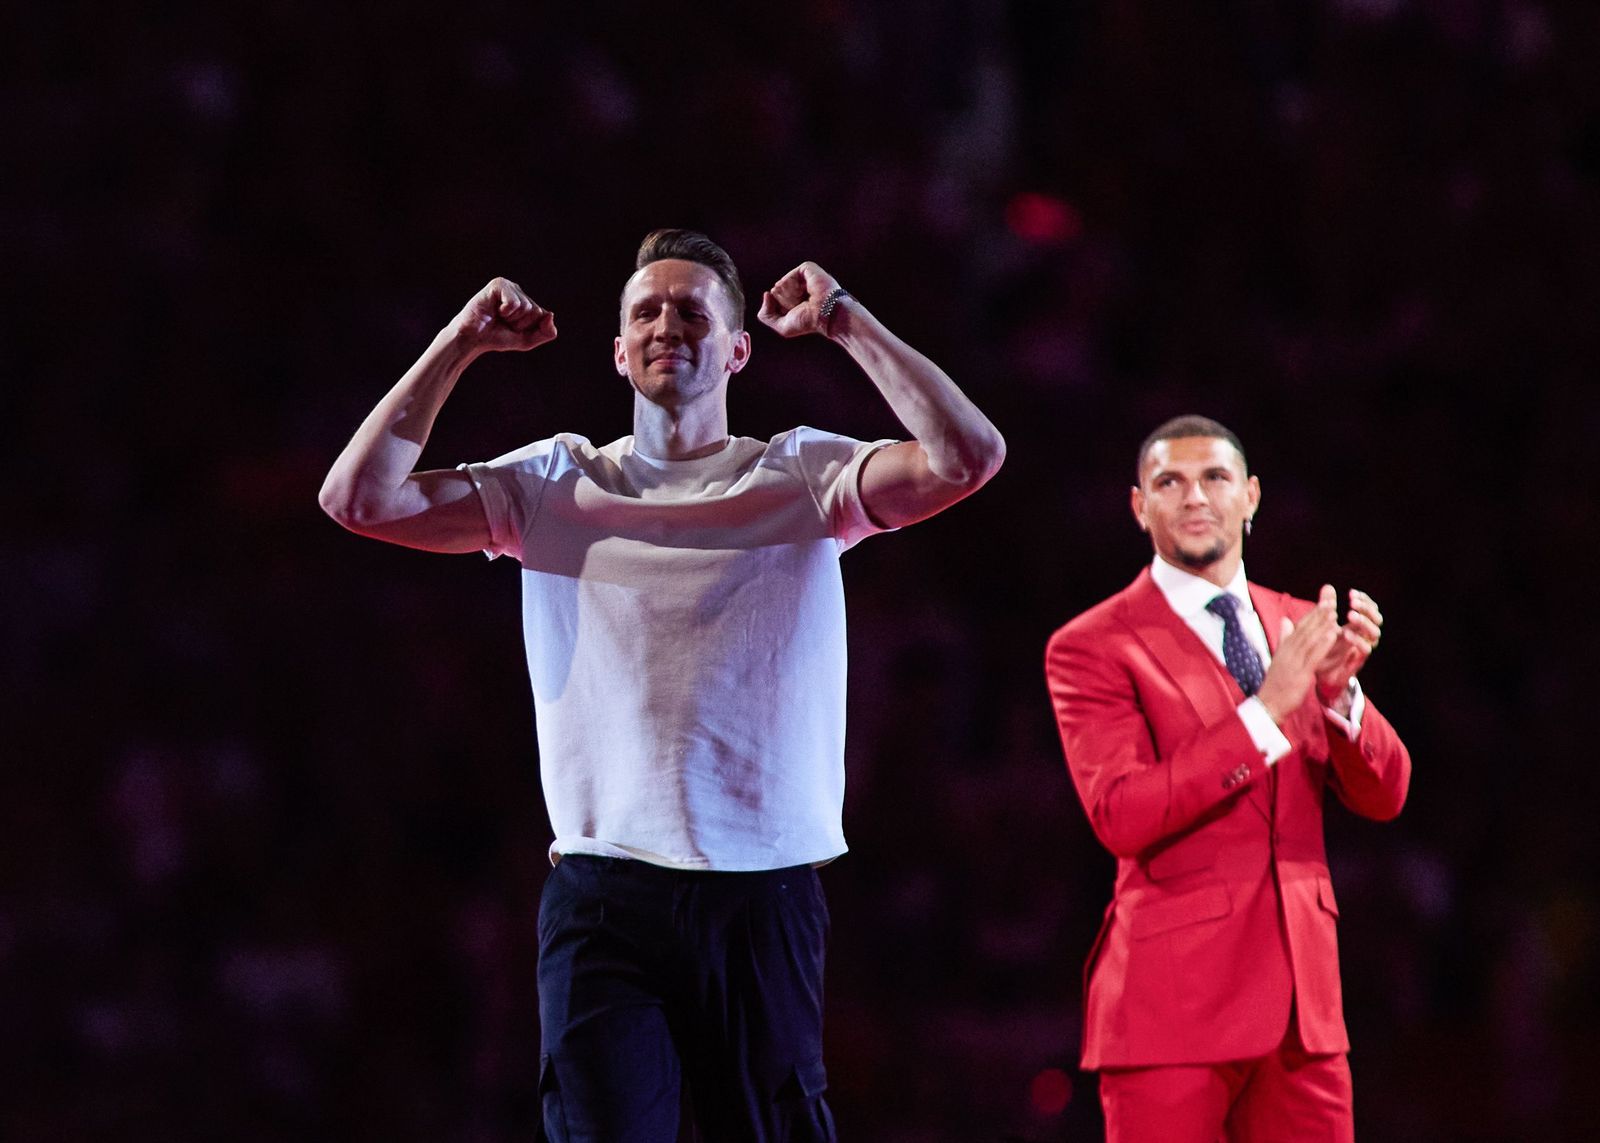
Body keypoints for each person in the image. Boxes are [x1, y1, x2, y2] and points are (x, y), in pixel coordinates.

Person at [318, 229, 1005, 1141]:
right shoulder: (554, 484)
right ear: (616, 351)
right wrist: (461, 343)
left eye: (692, 311)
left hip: (761, 887)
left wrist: (845, 321)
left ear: (737, 349)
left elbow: (970, 455)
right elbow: (357, 499)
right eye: (645, 310)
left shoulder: (802, 472)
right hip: (607, 890)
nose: (666, 325)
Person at [1043, 414, 1410, 1142]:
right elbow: (1120, 812)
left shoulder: (1302, 624)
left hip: (1307, 1015)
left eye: (1213, 477)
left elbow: (1387, 793)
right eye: (1168, 482)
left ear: (1250, 495)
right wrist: (1266, 712)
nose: (1193, 497)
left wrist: (1340, 697)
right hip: (1171, 1010)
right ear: (1139, 506)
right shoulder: (1092, 645)